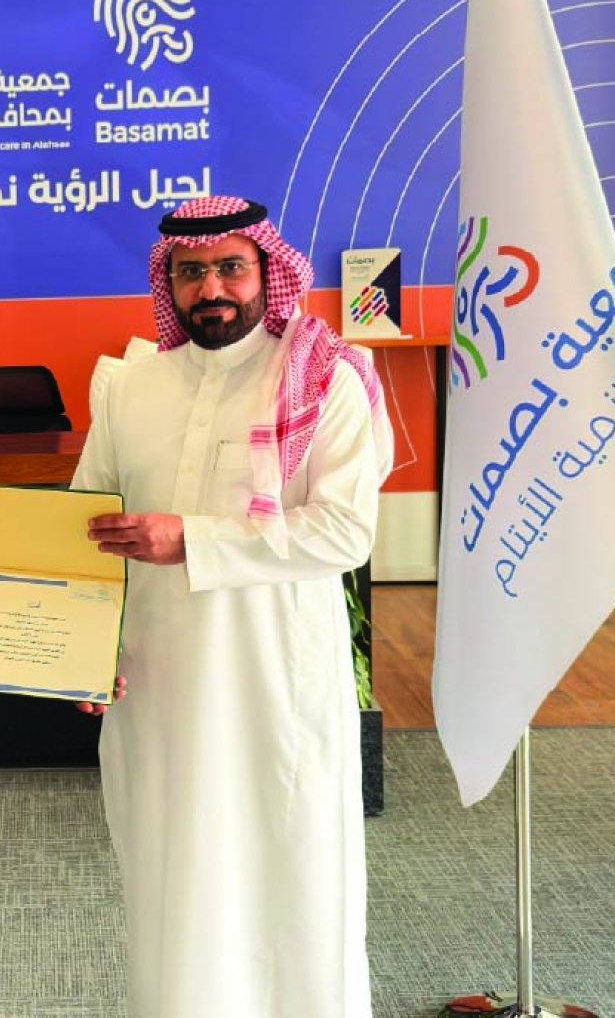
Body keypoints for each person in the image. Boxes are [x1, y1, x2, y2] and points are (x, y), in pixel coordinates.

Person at [69, 195, 392, 1017]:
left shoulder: (324, 379)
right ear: (168, 282)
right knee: (172, 869)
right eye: (190, 272)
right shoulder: (128, 388)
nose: (209, 288)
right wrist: (77, 649)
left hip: (275, 679)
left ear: (264, 272)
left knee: (289, 867)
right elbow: (85, 528)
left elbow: (344, 533)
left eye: (229, 268)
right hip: (157, 680)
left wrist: (193, 540)